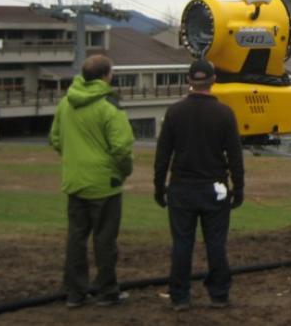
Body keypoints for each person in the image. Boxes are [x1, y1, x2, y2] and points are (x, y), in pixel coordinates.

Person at [153, 59, 245, 312]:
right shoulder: (225, 114)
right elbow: (235, 157)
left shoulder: (174, 112)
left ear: (188, 81)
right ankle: (219, 294)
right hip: (214, 188)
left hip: (182, 188)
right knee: (216, 243)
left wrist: (159, 187)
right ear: (214, 80)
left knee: (182, 244)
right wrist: (239, 188)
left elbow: (162, 156)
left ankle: (180, 296)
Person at [49, 54, 135, 308]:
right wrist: (123, 170)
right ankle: (106, 290)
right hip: (104, 184)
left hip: (75, 182)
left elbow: (55, 138)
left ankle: (75, 292)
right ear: (106, 75)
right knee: (104, 239)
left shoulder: (66, 103)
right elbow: (122, 148)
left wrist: (74, 160)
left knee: (76, 239)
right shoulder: (109, 106)